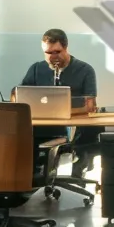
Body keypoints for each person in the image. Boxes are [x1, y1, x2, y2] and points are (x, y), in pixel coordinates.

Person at [21, 29, 99, 177]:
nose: (52, 57)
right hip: (42, 128)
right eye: (48, 53)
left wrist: (62, 105)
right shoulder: (37, 68)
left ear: (66, 48)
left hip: (74, 130)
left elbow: (90, 104)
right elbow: (22, 94)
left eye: (57, 52)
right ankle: (29, 182)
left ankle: (72, 178)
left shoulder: (85, 70)